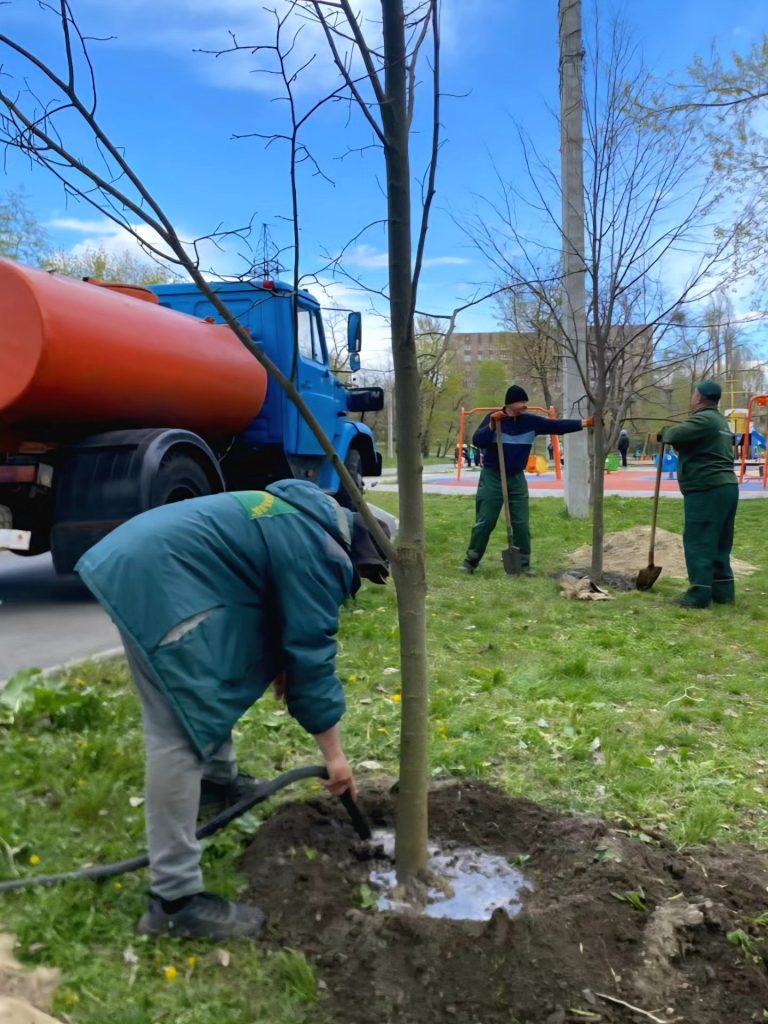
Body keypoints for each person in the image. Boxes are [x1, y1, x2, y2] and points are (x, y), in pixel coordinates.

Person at [76, 480, 392, 939]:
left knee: (212, 674)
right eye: (363, 573)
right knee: (177, 733)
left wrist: (284, 660)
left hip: (151, 564)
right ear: (359, 547)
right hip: (159, 580)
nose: (356, 579)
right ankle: (175, 900)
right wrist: (336, 757)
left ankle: (217, 785)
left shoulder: (295, 518)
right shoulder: (321, 551)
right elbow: (312, 658)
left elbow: (271, 607)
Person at [460, 385, 594, 574]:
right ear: (510, 403)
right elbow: (478, 441)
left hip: (516, 477)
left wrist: (585, 423)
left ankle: (523, 564)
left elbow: (557, 426)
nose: (525, 405)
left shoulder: (531, 422)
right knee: (486, 521)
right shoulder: (494, 418)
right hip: (493, 476)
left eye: (525, 402)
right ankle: (470, 561)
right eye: (521, 402)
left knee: (521, 523)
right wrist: (491, 426)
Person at [658, 379, 738, 609]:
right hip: (726, 487)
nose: (692, 398)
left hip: (707, 489)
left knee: (699, 541)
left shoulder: (703, 419)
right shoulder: (720, 422)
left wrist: (664, 432)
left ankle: (698, 596)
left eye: (694, 394)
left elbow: (674, 434)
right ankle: (723, 592)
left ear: (700, 397)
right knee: (721, 542)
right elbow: (700, 446)